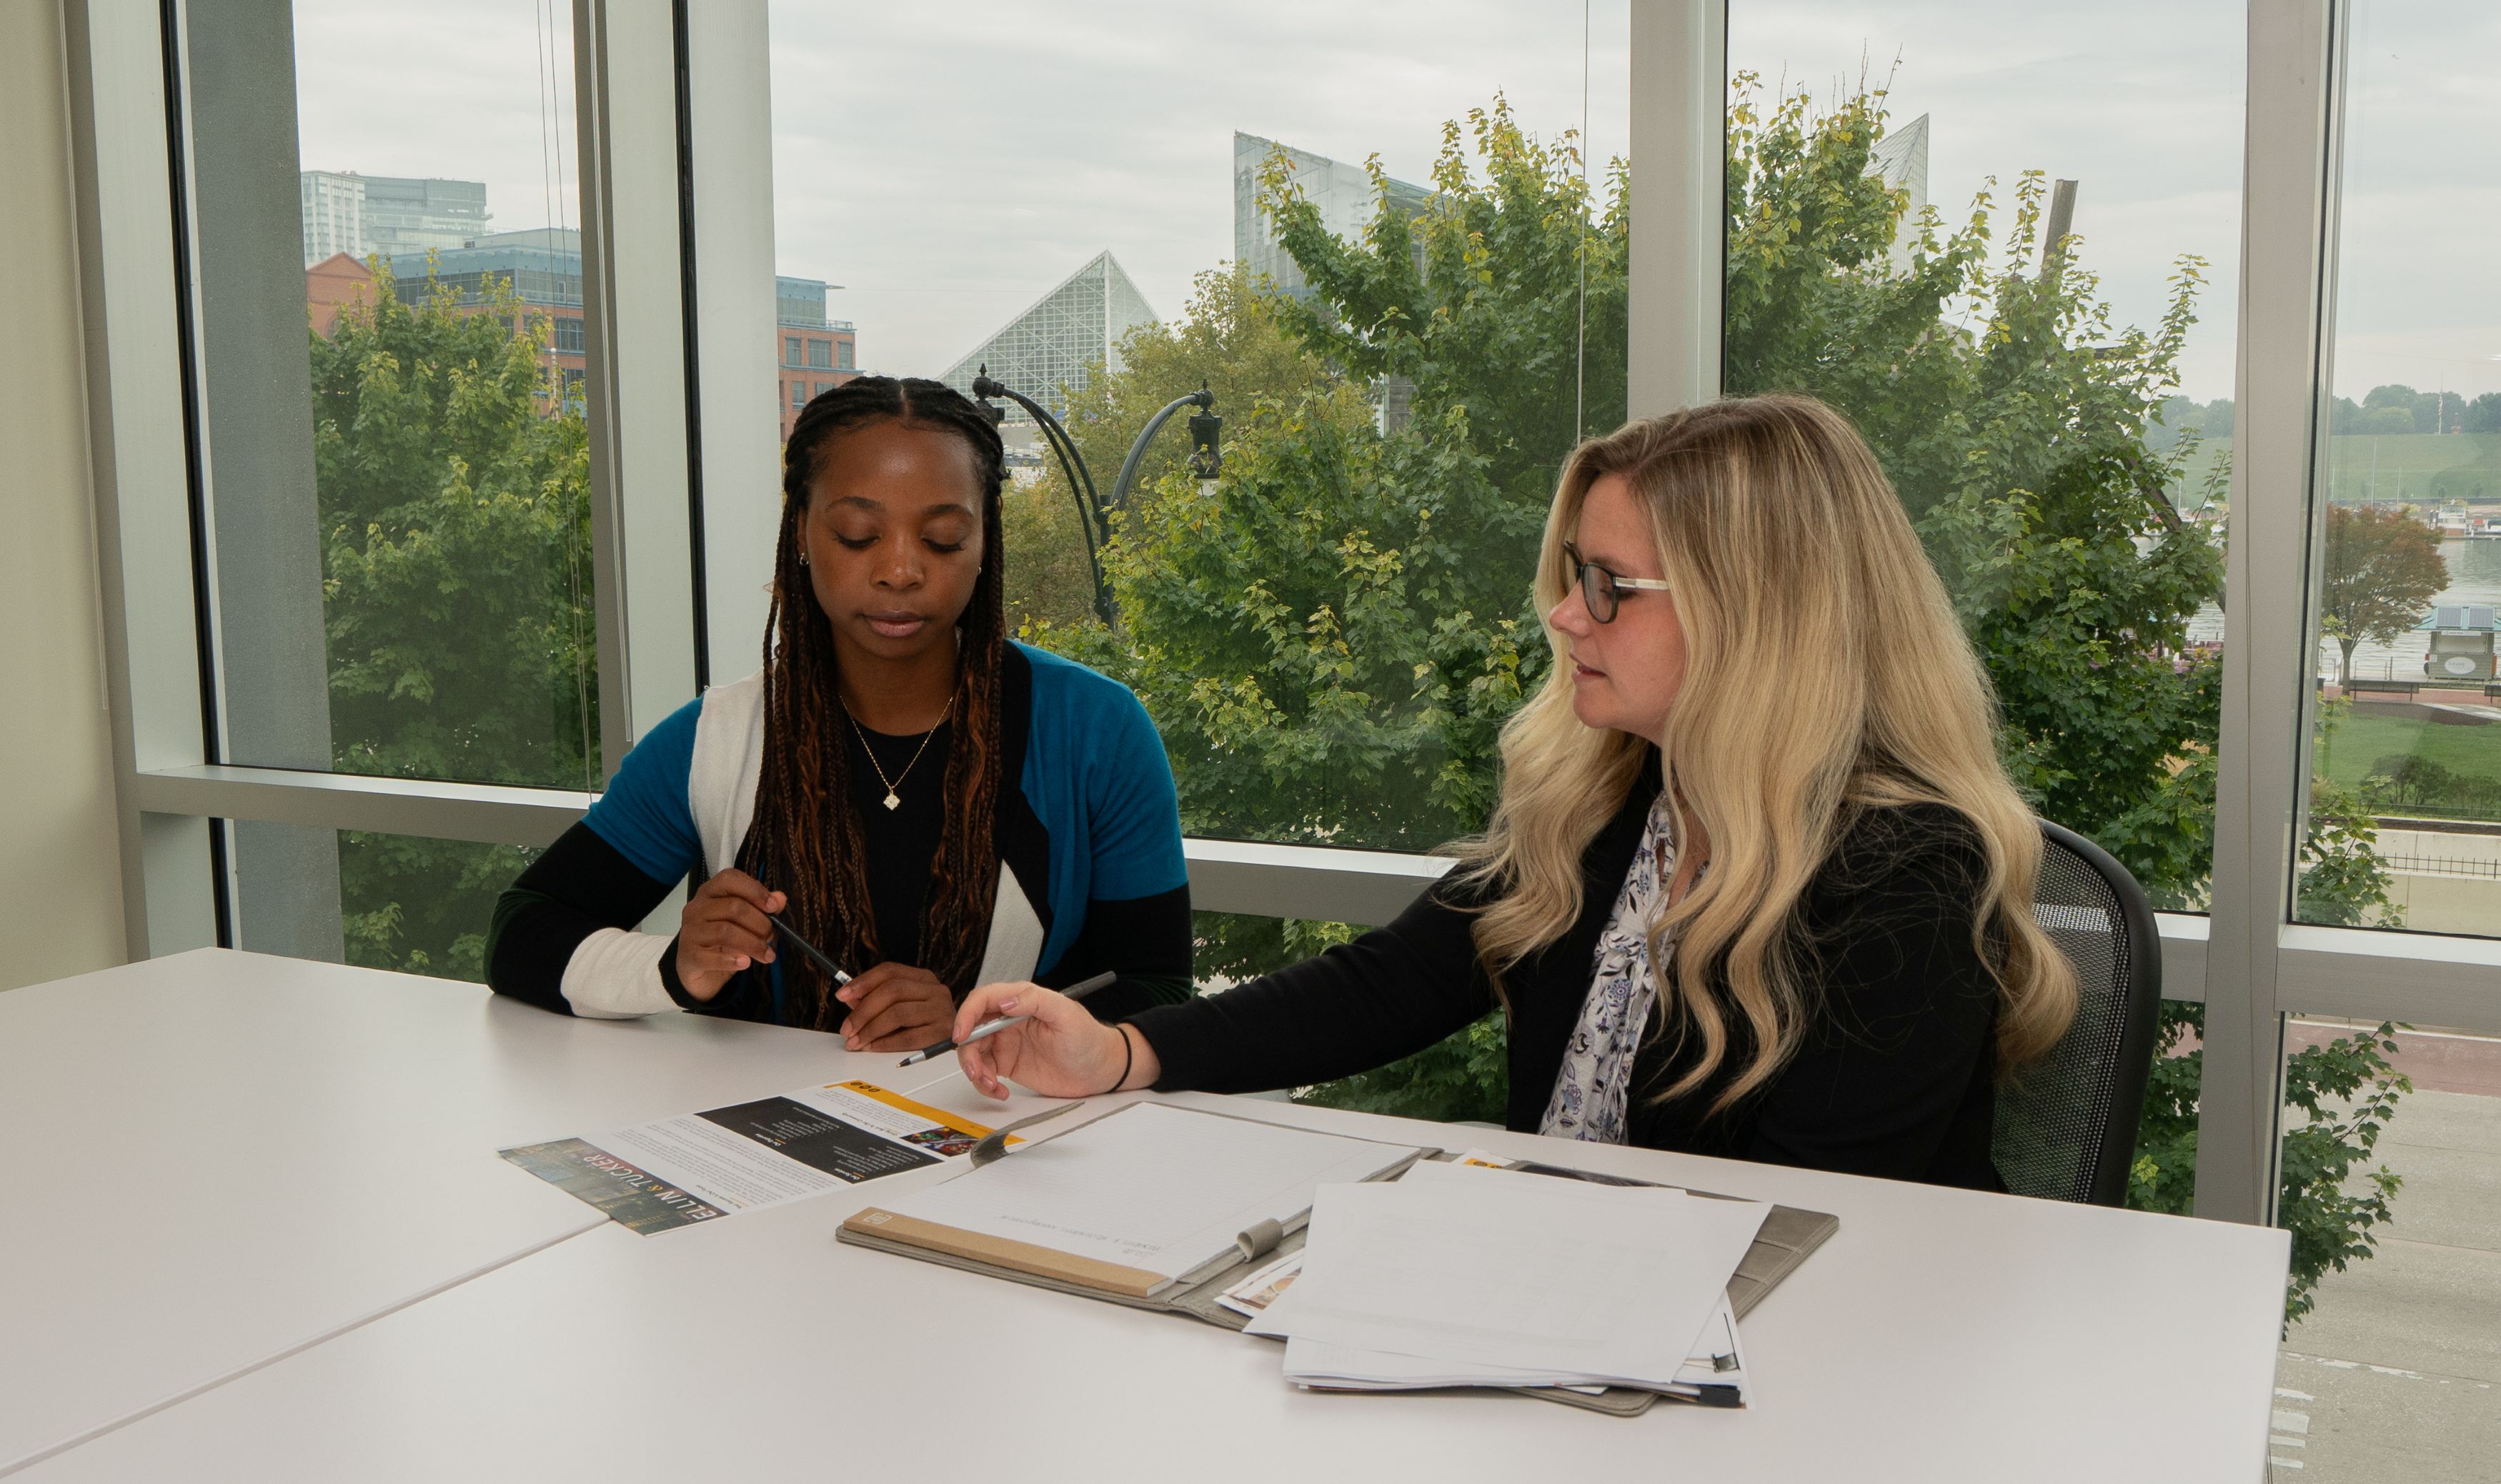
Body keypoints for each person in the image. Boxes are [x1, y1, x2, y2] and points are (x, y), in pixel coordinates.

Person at [945, 395, 2079, 1190]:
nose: (1566, 615)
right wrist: (1124, 1053)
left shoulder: (1908, 879)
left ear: (1756, 612)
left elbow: (1801, 1227)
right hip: (1566, 1337)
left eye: (1609, 587)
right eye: (1573, 577)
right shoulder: (1624, 803)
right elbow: (1386, 985)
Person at [486, 377, 1192, 1052]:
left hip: (1004, 1153)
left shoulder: (1097, 731)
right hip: (757, 1150)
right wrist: (675, 967)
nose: (900, 570)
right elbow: (520, 934)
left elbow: (1159, 988)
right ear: (801, 530)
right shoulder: (717, 741)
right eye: (858, 534)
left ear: (985, 544)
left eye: (942, 538)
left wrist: (981, 1026)